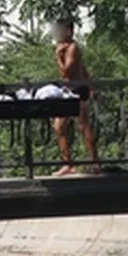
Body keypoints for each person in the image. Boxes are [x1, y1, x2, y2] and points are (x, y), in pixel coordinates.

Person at [51, 18, 99, 176]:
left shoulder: (71, 48)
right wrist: (92, 85)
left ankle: (94, 162)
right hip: (71, 91)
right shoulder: (68, 48)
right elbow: (83, 68)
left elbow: (66, 72)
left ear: (69, 31)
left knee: (83, 126)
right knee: (60, 127)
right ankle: (68, 163)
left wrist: (58, 57)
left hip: (77, 91)